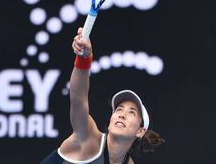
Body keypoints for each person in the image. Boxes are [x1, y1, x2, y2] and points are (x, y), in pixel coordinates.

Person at [41, 27, 165, 164]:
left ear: (140, 131)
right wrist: (84, 58)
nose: (122, 114)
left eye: (131, 112)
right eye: (119, 109)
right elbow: (78, 99)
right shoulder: (88, 138)